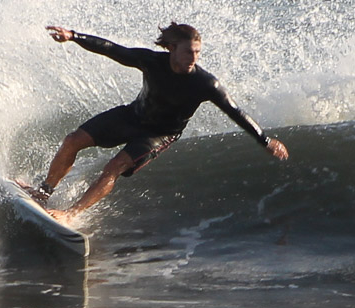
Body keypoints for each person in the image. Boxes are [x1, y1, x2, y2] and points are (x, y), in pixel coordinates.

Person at [29, 22, 289, 221]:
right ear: (172, 49)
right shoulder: (152, 62)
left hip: (160, 134)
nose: (194, 58)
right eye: (189, 52)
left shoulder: (206, 83)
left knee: (114, 167)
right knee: (73, 140)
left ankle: (70, 214)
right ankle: (42, 193)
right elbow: (113, 49)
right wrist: (74, 36)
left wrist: (264, 140)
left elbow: (235, 112)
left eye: (197, 53)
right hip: (133, 115)